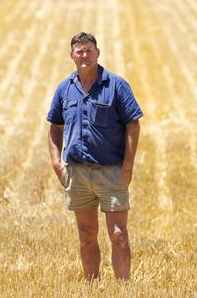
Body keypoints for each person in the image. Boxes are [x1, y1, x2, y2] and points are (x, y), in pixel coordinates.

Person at [47, 32, 143, 281]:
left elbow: (133, 125)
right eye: (79, 51)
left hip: (110, 171)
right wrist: (57, 162)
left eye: (89, 50)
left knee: (119, 234)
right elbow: (55, 127)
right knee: (86, 234)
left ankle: (123, 288)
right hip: (77, 172)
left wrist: (128, 165)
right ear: (72, 56)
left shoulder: (116, 85)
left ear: (97, 53)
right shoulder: (65, 88)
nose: (84, 55)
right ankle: (91, 286)